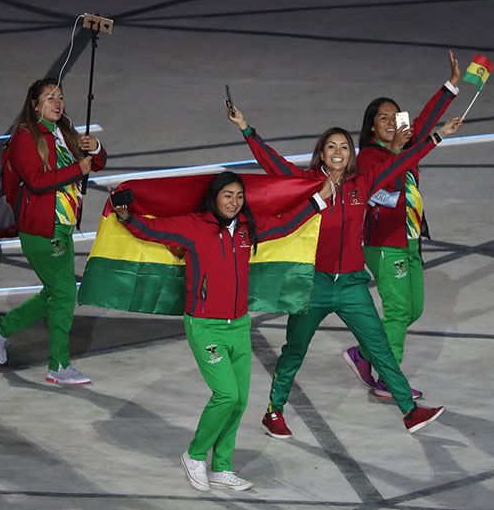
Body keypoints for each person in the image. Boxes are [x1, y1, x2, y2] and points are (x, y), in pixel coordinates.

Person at [227, 103, 461, 437]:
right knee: (294, 351)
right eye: (331, 146)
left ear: (351, 154)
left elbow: (401, 160)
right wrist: (245, 128)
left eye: (344, 147)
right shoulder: (306, 183)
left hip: (352, 286)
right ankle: (273, 412)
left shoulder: (360, 184)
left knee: (380, 349)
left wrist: (438, 136)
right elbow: (273, 163)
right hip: (314, 286)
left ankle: (409, 413)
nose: (338, 152)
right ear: (321, 154)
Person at [112, 171, 330, 491]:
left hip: (239, 325)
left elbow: (285, 224)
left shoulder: (246, 228)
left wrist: (318, 200)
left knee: (239, 401)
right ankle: (195, 455)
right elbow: (152, 229)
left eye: (239, 196)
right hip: (205, 325)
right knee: (226, 394)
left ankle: (222, 467)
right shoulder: (193, 226)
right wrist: (126, 216)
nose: (234, 202)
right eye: (228, 195)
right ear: (214, 197)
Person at [342, 51, 461, 399]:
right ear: (371, 126)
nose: (392, 121)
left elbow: (424, 121)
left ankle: (363, 353)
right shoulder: (369, 157)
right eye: (384, 117)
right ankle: (388, 380)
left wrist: (451, 86)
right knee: (397, 310)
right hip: (383, 241)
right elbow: (382, 184)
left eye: (396, 116)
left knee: (413, 309)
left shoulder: (404, 146)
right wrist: (398, 149)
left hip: (410, 239)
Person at [0, 78, 106, 384]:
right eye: (49, 98)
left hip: (63, 226)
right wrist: (78, 169)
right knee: (63, 293)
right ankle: (58, 365)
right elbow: (36, 181)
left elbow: (96, 164)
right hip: (41, 228)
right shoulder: (25, 136)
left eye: (60, 97)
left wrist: (96, 149)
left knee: (56, 292)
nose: (57, 103)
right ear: (34, 104)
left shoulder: (64, 131)